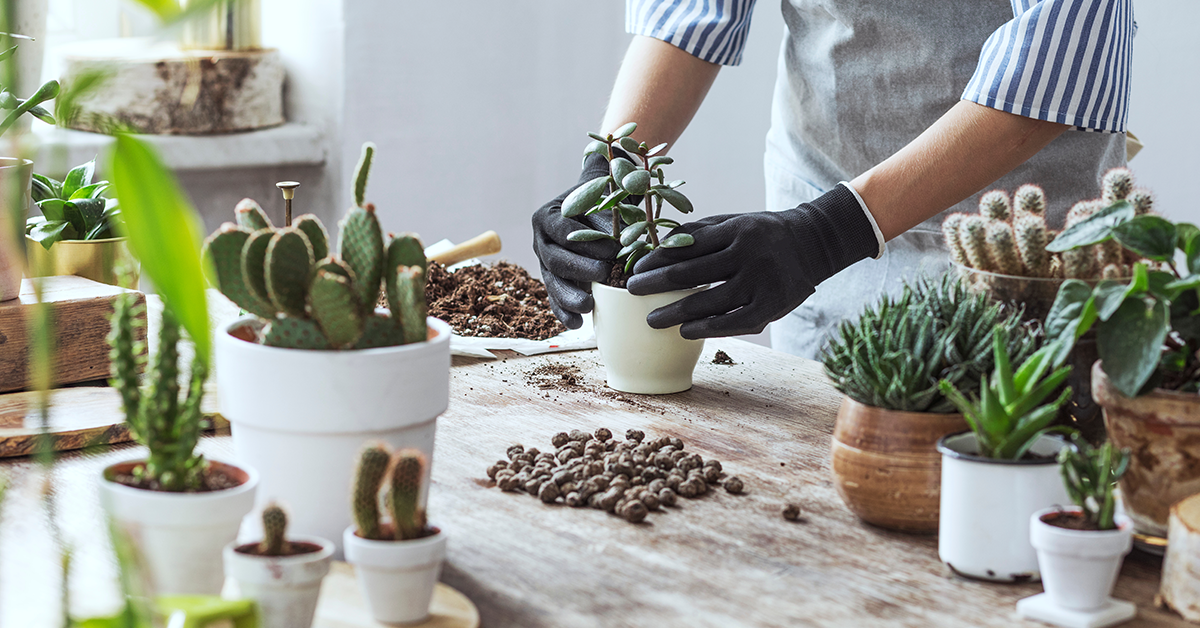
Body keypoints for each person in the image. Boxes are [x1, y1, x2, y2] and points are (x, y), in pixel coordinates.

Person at [533, 0, 1132, 358]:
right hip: (817, 211)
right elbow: (691, 10)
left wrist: (827, 233)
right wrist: (611, 169)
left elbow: (1068, 50)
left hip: (1017, 246)